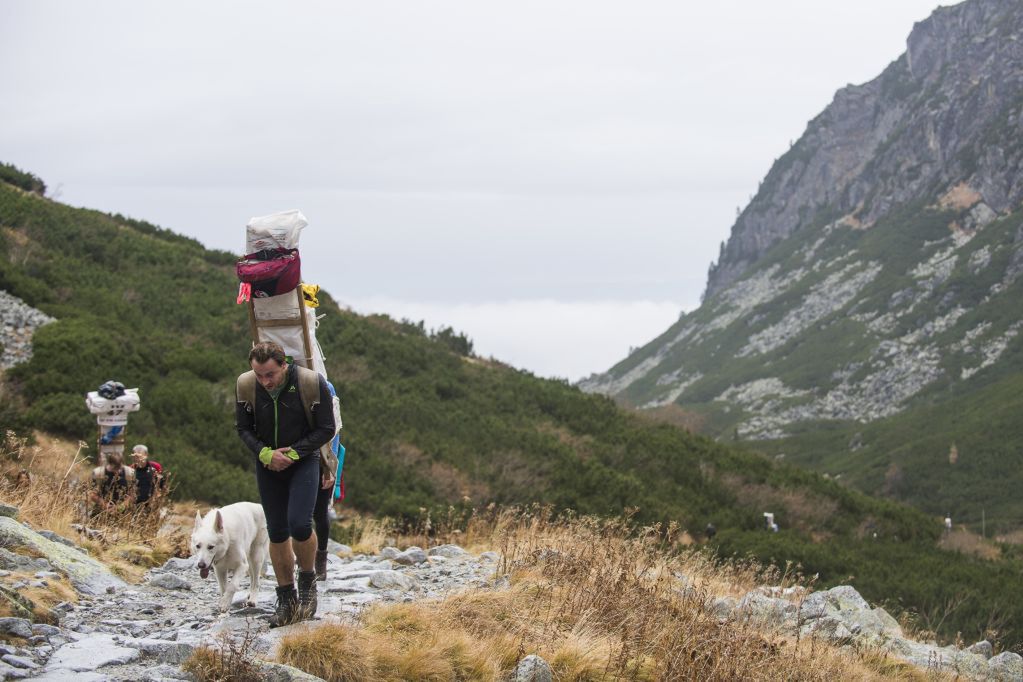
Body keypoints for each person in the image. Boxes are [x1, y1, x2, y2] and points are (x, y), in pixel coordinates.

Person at [236, 341, 335, 627]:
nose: (265, 381)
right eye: (259, 375)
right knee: (277, 531)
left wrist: (293, 453)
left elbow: (326, 428)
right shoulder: (245, 385)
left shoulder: (310, 383)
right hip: (268, 462)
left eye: (270, 374)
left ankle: (307, 583)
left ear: (284, 365)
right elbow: (242, 427)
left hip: (303, 459)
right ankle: (286, 598)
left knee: (300, 525)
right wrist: (265, 453)